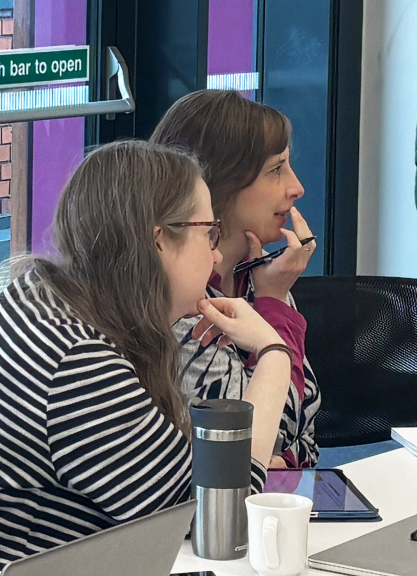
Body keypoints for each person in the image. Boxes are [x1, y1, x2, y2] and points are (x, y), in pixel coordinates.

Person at [0, 141, 292, 575]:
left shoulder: (33, 299)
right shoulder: (75, 361)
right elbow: (217, 516)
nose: (216, 253)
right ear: (159, 241)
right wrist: (273, 354)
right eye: (208, 232)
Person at [150, 90, 320, 468]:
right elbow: (271, 434)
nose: (297, 187)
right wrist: (273, 305)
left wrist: (285, 456)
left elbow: (306, 437)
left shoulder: (257, 274)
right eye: (276, 170)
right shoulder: (181, 298)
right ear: (218, 183)